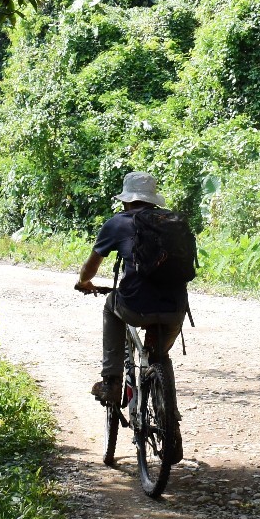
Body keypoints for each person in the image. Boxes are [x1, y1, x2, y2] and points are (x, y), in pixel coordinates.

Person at [74, 172, 194, 457]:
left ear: (127, 200)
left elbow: (92, 265)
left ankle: (111, 382)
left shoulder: (118, 223)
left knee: (110, 306)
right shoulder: (172, 224)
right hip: (175, 310)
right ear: (152, 200)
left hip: (135, 307)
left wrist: (84, 282)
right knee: (160, 358)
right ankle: (171, 428)